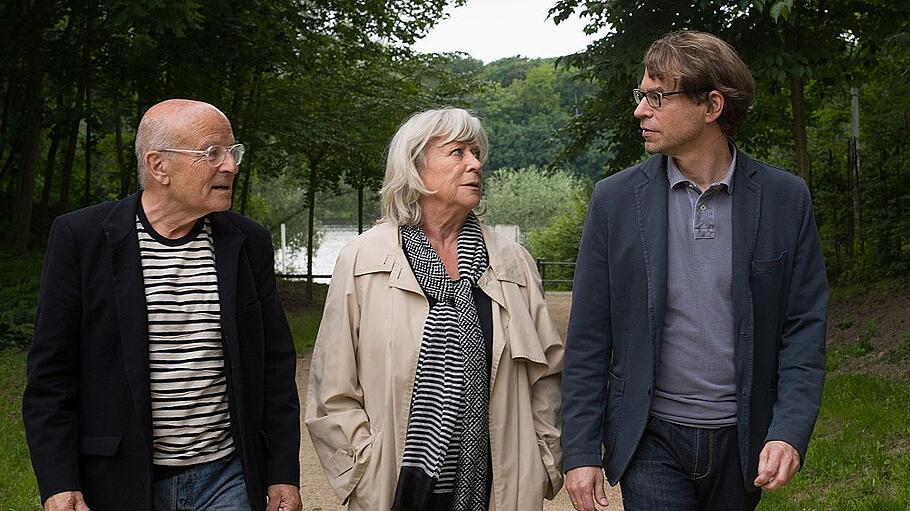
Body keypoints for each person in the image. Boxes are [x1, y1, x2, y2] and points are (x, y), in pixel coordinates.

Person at [561, 31, 829, 511]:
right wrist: (580, 450)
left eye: (657, 97)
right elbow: (588, 336)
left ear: (711, 106)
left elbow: (803, 328)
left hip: (744, 439)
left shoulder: (786, 199)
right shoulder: (615, 201)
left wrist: (788, 430)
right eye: (642, 95)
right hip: (650, 437)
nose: (641, 110)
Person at [23, 99, 302, 511]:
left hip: (228, 479)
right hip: (120, 481)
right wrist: (59, 483)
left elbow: (275, 367)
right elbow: (51, 376)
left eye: (233, 152)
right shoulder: (81, 239)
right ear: (159, 166)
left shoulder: (248, 242)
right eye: (213, 153)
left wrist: (282, 473)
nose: (230, 165)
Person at [305, 107, 564, 511]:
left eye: (476, 153)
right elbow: (331, 386)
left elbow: (548, 374)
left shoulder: (512, 261)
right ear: (414, 166)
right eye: (458, 153)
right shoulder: (362, 259)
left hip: (498, 486)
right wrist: (362, 468)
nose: (475, 164)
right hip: (396, 486)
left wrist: (543, 458)